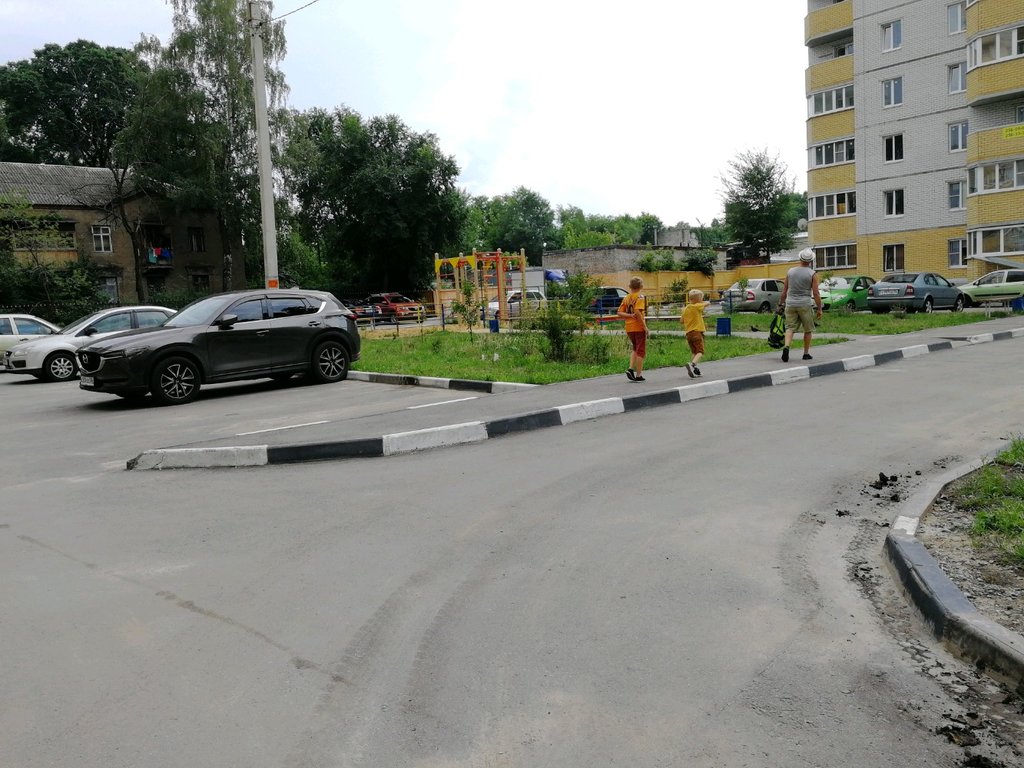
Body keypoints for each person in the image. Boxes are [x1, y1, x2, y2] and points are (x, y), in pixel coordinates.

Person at [778, 248, 823, 362]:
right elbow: (816, 293)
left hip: (790, 303)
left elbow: (784, 291)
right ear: (811, 261)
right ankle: (806, 353)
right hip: (805, 304)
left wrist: (780, 304)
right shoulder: (812, 274)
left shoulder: (790, 271)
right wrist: (819, 309)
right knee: (807, 330)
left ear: (800, 258)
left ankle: (786, 347)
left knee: (789, 328)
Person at [617, 276, 648, 381]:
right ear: (641, 286)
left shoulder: (626, 297)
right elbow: (637, 312)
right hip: (638, 327)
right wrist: (645, 326)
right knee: (641, 351)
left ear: (630, 286)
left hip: (629, 327)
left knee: (635, 348)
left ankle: (630, 368)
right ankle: (638, 375)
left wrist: (629, 316)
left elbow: (619, 312)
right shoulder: (640, 297)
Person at [681, 288, 709, 378]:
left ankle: (693, 369)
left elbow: (681, 321)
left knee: (694, 351)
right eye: (701, 298)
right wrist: (704, 302)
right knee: (700, 351)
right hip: (697, 332)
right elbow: (707, 304)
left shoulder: (685, 309)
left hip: (688, 334)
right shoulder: (696, 306)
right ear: (697, 300)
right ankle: (692, 364)